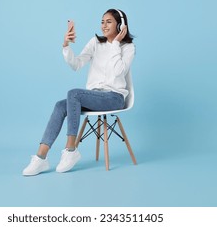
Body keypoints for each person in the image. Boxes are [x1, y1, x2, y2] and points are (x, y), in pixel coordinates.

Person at [22, 9, 135, 176]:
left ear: (121, 25)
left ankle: (70, 150)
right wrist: (66, 46)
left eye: (109, 21)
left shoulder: (128, 47)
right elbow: (76, 64)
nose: (104, 25)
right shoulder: (95, 43)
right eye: (102, 21)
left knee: (74, 94)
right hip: (95, 96)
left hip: (114, 97)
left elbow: (119, 71)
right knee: (60, 106)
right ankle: (41, 158)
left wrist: (116, 44)